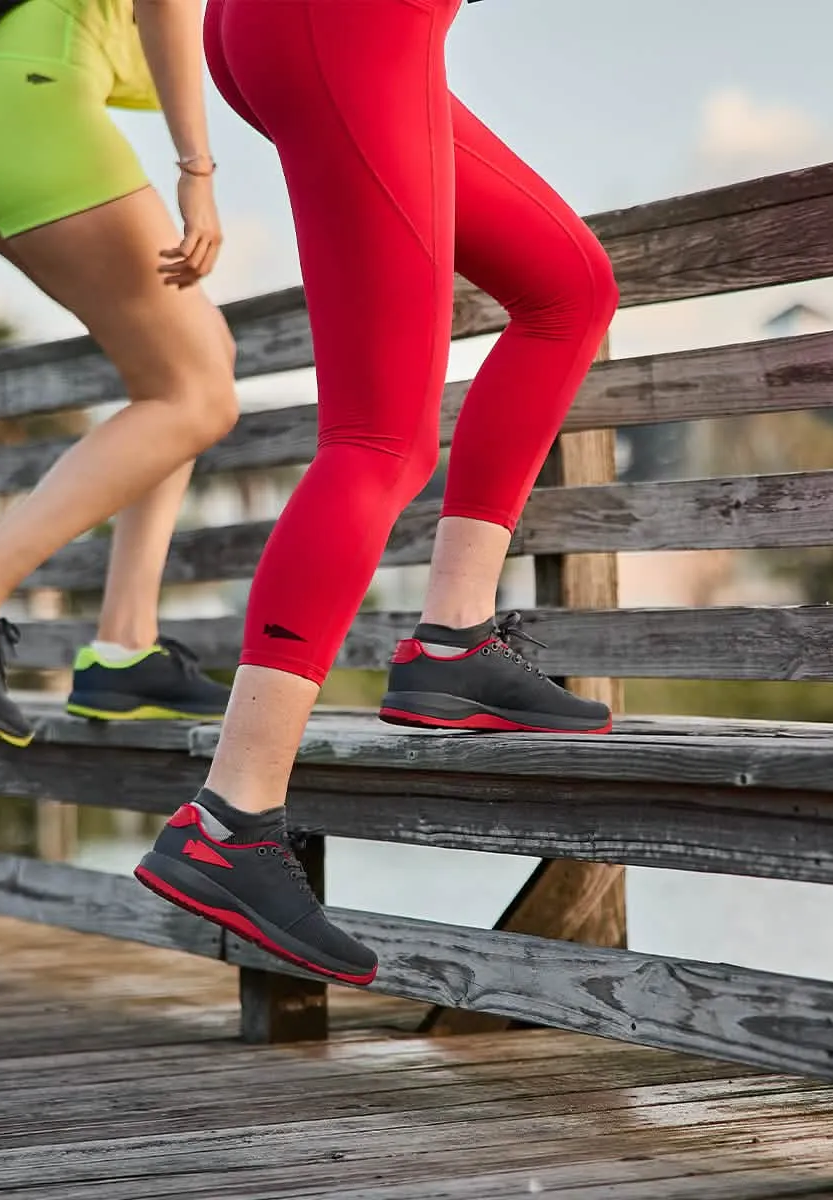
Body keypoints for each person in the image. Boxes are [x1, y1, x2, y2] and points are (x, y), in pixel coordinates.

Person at [132, 0, 621, 985]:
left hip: (334, 28)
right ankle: (230, 817)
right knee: (378, 442)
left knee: (570, 285)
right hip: (349, 22)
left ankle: (453, 641)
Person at [0, 0, 237, 742]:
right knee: (199, 397)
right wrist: (197, 168)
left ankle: (123, 649)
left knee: (187, 372)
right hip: (26, 96)